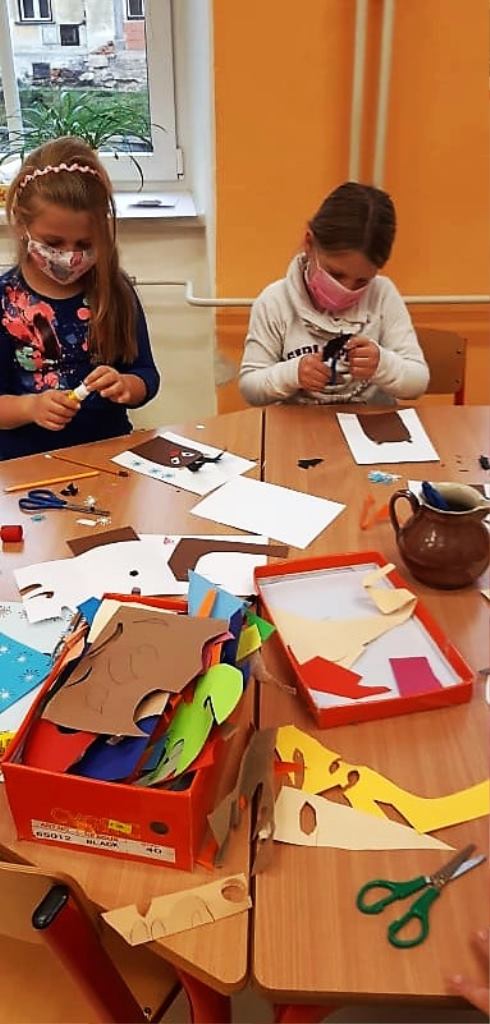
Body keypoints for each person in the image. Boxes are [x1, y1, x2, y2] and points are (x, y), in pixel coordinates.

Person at [0, 136, 160, 460]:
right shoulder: (5, 301)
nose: (70, 256)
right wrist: (31, 407)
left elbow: (147, 375)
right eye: (54, 242)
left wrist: (126, 385)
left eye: (85, 244)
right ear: (20, 223)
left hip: (108, 453)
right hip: (26, 463)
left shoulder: (115, 292)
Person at [239, 181, 429, 407]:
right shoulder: (275, 302)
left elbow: (418, 381)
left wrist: (382, 365)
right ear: (309, 244)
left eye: (362, 281)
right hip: (299, 424)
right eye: (336, 274)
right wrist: (292, 374)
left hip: (370, 424)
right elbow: (250, 388)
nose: (347, 289)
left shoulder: (382, 295)